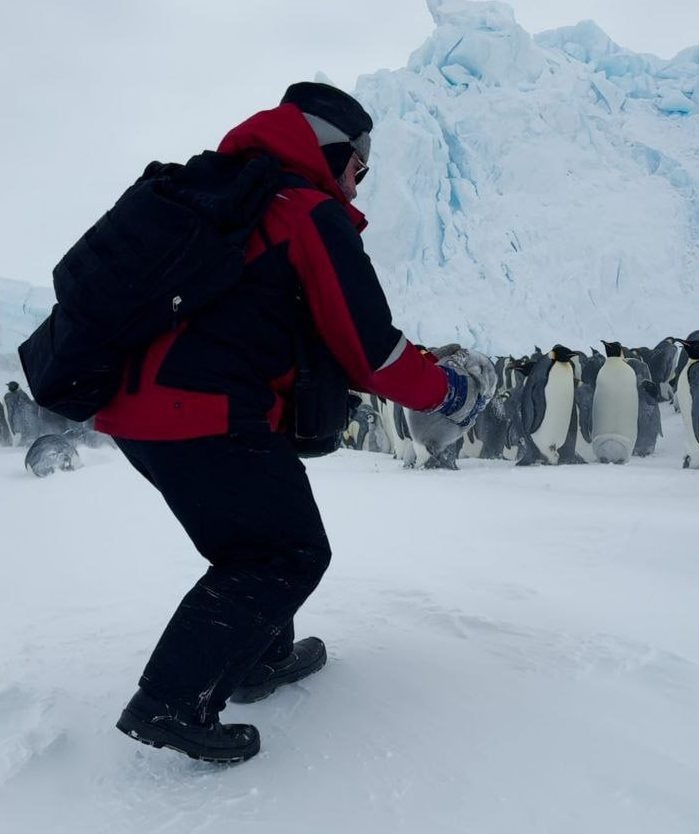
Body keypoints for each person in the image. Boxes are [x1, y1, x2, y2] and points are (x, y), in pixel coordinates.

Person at [98, 82, 495, 763]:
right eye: (359, 167)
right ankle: (169, 700)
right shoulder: (303, 210)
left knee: (255, 542)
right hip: (202, 411)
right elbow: (370, 347)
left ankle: (258, 658)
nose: (359, 184)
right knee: (282, 554)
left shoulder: (228, 201)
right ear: (331, 150)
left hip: (145, 409)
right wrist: (449, 395)